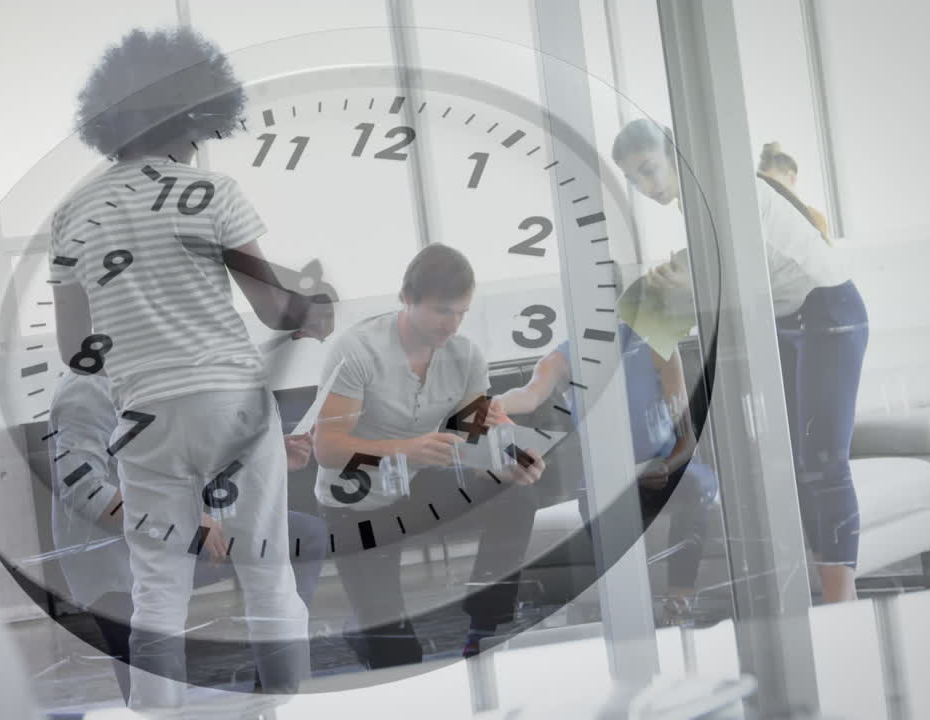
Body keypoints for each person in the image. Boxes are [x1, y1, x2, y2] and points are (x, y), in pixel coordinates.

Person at [50, 28, 334, 709]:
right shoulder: (211, 192)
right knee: (265, 572)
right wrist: (313, 309)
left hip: (145, 413)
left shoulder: (71, 216)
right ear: (196, 115)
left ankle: (153, 711)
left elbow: (75, 347)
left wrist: (143, 327)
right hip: (231, 402)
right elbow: (273, 310)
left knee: (157, 588)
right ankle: (279, 703)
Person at [611, 119, 868, 604]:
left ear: (675, 153)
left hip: (828, 308)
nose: (645, 187)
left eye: (648, 170)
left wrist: (679, 284)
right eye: (634, 180)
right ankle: (817, 592)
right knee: (794, 461)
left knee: (823, 461)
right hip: (788, 317)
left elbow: (737, 272)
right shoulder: (700, 202)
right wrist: (669, 287)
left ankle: (842, 600)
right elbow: (712, 276)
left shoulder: (723, 190)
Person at [312, 245, 545, 666]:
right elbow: (327, 450)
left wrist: (508, 458)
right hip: (357, 502)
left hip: (423, 484)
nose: (452, 325)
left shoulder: (466, 354)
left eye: (461, 313)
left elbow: (474, 437)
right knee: (398, 658)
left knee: (515, 494)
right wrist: (405, 449)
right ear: (407, 297)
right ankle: (365, 632)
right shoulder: (356, 351)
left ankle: (487, 622)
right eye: (442, 311)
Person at [48, 373, 329, 703]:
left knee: (305, 536)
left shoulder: (158, 377)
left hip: (172, 541)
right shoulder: (87, 390)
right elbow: (84, 490)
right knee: (152, 689)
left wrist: (269, 454)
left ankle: (269, 682)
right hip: (116, 565)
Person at [496, 323, 718, 624]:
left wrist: (667, 465)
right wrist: (492, 404)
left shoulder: (658, 347)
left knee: (695, 487)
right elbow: (529, 395)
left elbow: (686, 436)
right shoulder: (562, 359)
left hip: (665, 466)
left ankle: (679, 598)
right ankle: (625, 605)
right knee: (600, 507)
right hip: (606, 476)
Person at [757, 142, 831, 243]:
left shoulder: (815, 218)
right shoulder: (765, 213)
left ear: (791, 178)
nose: (770, 191)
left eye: (773, 184)